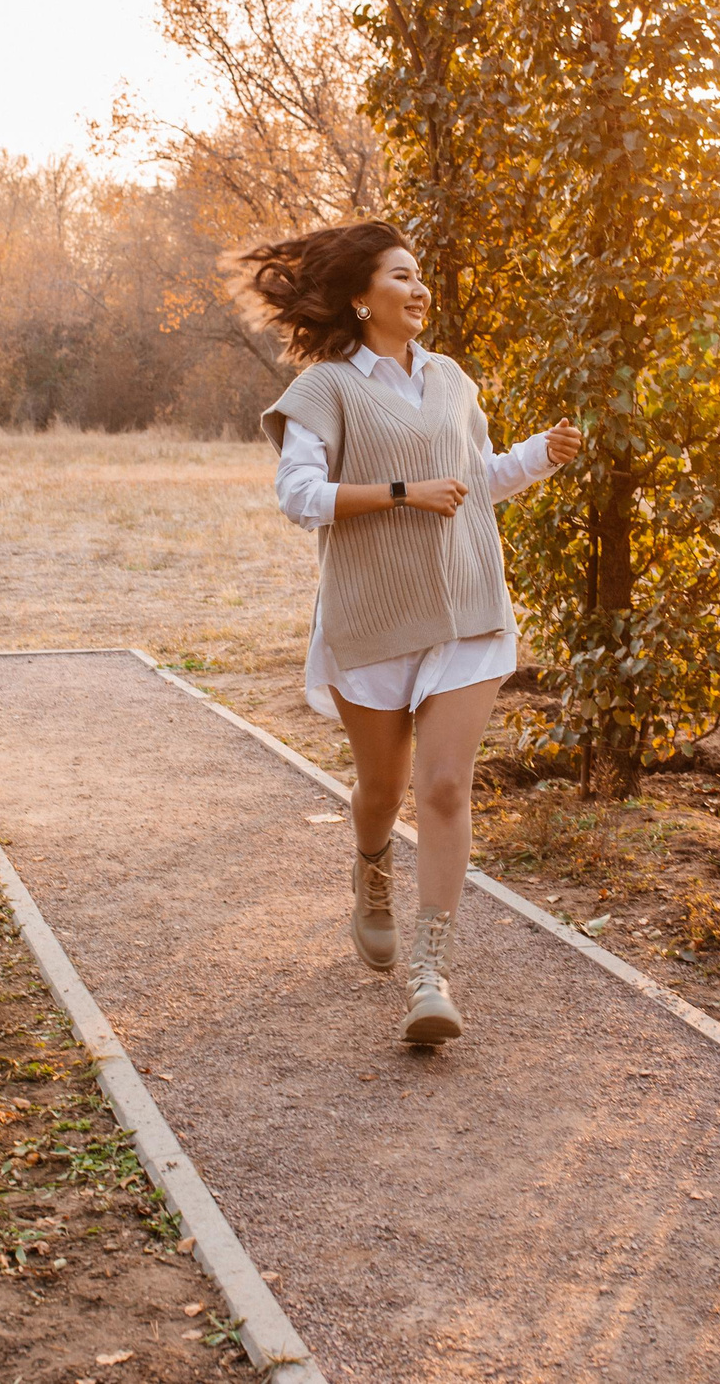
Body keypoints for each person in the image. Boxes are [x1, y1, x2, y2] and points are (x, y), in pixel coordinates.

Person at [243, 219, 582, 1045]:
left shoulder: (454, 381)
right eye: (400, 276)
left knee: (443, 789)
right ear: (361, 299)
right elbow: (300, 498)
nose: (418, 288)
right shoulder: (325, 390)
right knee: (383, 794)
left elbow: (473, 481)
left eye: (421, 275)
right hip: (375, 615)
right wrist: (400, 491)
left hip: (467, 605)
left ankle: (432, 972)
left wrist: (541, 453)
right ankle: (369, 870)